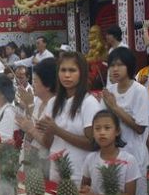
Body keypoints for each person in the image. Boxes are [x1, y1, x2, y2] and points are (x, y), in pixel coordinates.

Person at [36, 51, 101, 184]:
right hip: (56, 172)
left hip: (79, 175)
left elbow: (93, 144)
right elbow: (48, 144)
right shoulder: (53, 103)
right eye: (63, 70)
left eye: (72, 70)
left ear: (81, 73)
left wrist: (57, 130)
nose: (67, 75)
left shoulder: (89, 103)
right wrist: (47, 130)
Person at [80, 110, 141, 195]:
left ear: (117, 131)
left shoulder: (129, 160)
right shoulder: (90, 159)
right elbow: (84, 186)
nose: (102, 132)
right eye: (97, 129)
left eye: (107, 128)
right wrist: (85, 191)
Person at [102, 47, 149, 174]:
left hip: (134, 155)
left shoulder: (139, 91)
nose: (115, 69)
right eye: (112, 65)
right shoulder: (109, 91)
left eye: (120, 65)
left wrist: (115, 107)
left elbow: (140, 128)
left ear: (129, 66)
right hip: (112, 153)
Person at [16, 58, 57, 178]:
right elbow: (29, 125)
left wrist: (30, 129)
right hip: (31, 155)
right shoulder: (37, 100)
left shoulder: (55, 105)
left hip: (46, 161)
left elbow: (48, 142)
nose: (33, 84)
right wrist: (28, 104)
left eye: (35, 81)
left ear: (48, 85)